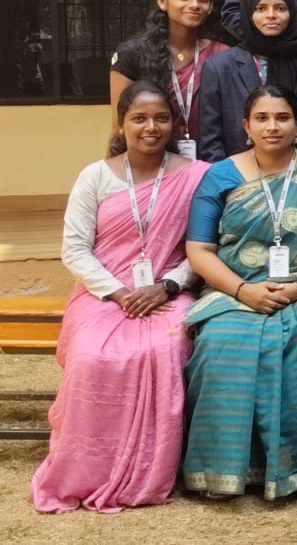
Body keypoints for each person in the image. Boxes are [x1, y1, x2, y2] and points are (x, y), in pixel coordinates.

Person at [32, 81, 210, 512]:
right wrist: (118, 292)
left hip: (168, 291)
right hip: (103, 295)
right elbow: (75, 249)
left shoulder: (196, 176)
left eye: (161, 118)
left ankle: (151, 468)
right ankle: (86, 469)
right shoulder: (94, 176)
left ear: (174, 124)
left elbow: (204, 246)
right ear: (121, 123)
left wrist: (167, 286)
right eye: (139, 118)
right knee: (91, 355)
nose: (151, 127)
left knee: (168, 346)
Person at [182, 85, 297, 499]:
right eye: (262, 118)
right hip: (233, 288)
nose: (272, 126)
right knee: (220, 343)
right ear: (246, 126)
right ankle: (224, 471)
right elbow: (199, 250)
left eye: (282, 118)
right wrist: (244, 291)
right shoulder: (220, 175)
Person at [110, 0, 231, 159]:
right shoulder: (132, 55)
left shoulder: (223, 56)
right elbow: (119, 127)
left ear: (210, 7)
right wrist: (112, 173)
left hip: (211, 164)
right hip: (151, 164)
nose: (195, 4)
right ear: (162, 1)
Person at [197, 0, 297, 161]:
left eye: (280, 8)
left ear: (292, 13)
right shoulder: (219, 67)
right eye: (261, 8)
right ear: (248, 13)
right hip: (236, 170)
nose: (271, 15)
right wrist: (225, 175)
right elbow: (210, 139)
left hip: (296, 167)